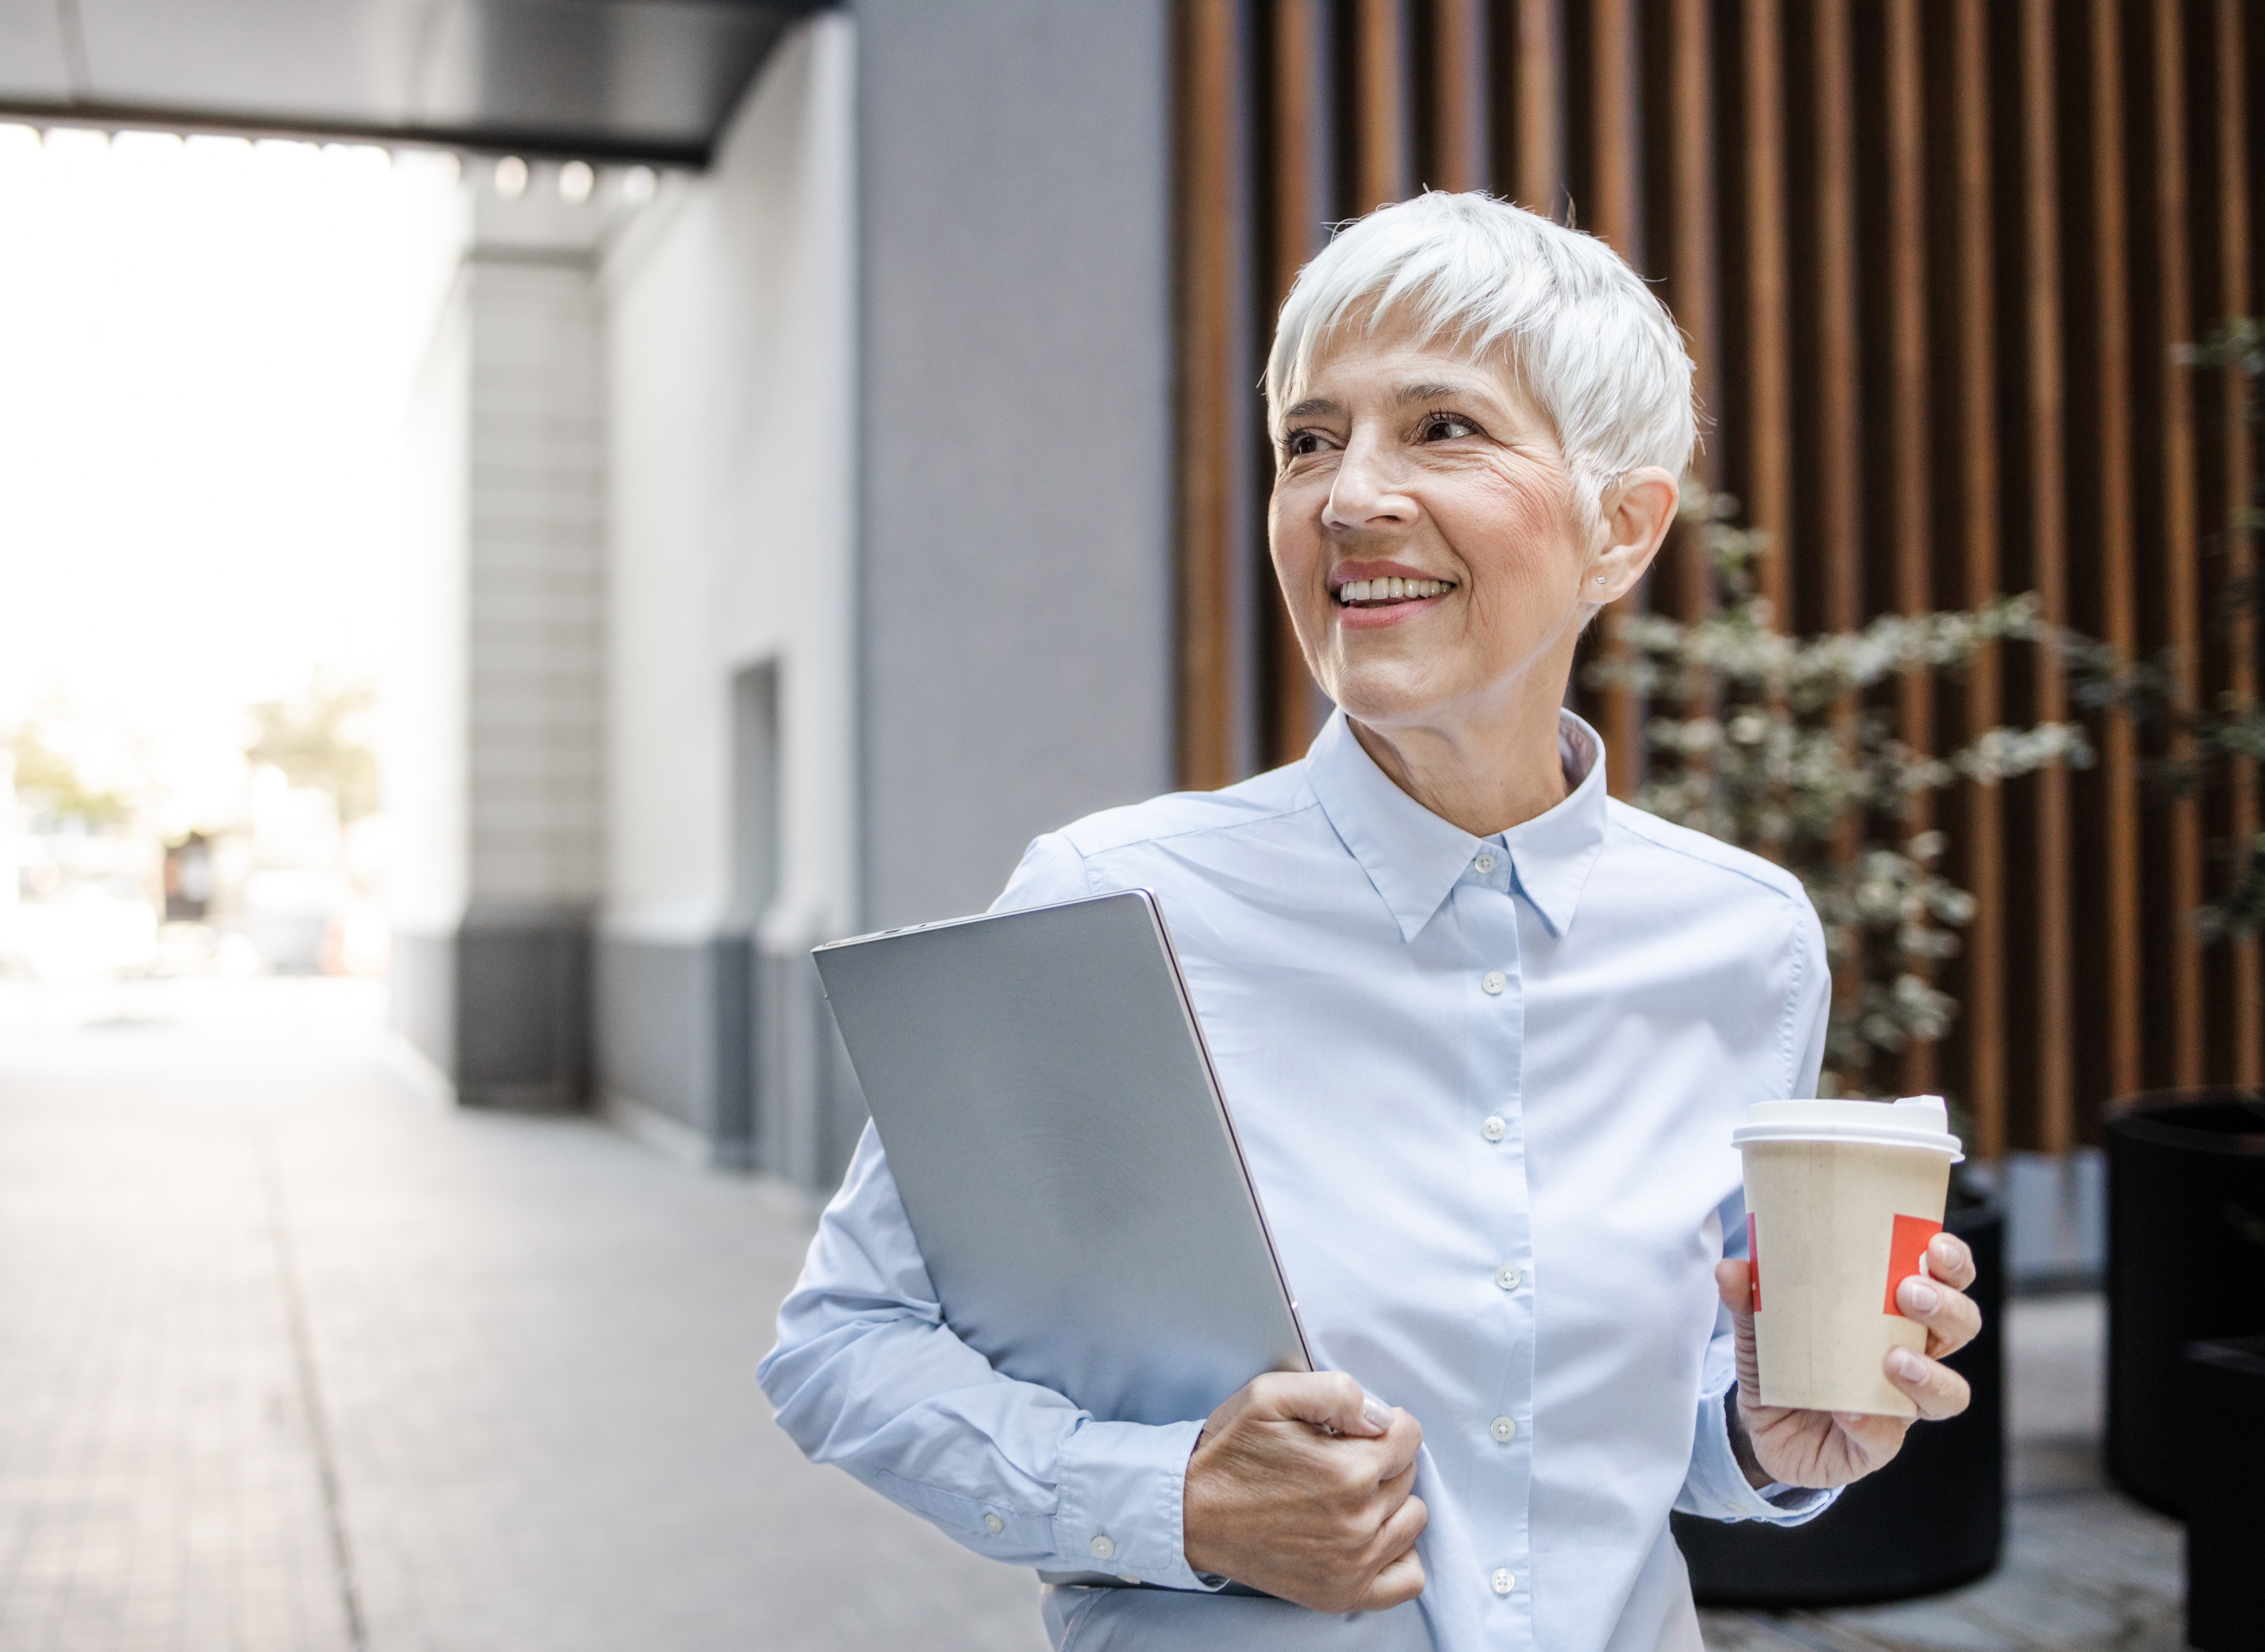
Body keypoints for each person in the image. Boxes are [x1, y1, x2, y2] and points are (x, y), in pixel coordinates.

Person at [756, 190, 1980, 1651]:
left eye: (1443, 429)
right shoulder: (1116, 901)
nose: (1346, 498)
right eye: (1310, 441)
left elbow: (1612, 1454)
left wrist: (1773, 1438)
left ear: (1623, 527)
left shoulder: (1745, 944)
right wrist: (1173, 1500)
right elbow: (844, 1345)